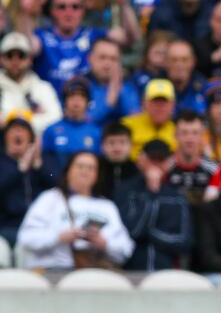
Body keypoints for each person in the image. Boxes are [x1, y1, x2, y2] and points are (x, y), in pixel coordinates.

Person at [17, 151, 134, 270]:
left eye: (91, 168)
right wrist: (59, 237)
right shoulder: (50, 198)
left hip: (97, 272)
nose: (85, 171)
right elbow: (25, 238)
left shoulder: (107, 206)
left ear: (97, 175)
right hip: (53, 271)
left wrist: (104, 243)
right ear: (68, 171)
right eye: (80, 166)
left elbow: (126, 248)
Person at [115, 138, 193, 270]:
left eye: (161, 160)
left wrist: (151, 235)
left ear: (169, 163)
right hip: (131, 270)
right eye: (152, 159)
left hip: (166, 271)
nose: (155, 165)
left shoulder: (176, 197)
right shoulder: (125, 190)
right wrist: (152, 195)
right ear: (141, 160)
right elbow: (131, 232)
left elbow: (185, 242)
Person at [30, 0, 105, 94]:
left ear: (82, 11)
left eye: (75, 7)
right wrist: (25, 13)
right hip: (48, 105)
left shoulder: (92, 34)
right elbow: (28, 48)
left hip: (86, 105)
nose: (69, 13)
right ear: (52, 11)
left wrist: (123, 3)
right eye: (62, 7)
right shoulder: (41, 35)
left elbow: (130, 38)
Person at [0, 114, 58, 246]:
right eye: (13, 130)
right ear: (5, 137)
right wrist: (19, 170)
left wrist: (38, 165)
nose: (18, 133)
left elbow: (56, 184)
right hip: (7, 226)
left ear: (31, 139)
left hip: (40, 227)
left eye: (23, 130)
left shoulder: (43, 161)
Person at [0, 32, 62, 135]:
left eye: (21, 55)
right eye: (10, 55)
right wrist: (36, 117)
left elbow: (56, 120)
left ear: (30, 58)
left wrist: (21, 118)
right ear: (1, 58)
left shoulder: (43, 88)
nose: (15, 61)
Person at [42, 76, 102, 168]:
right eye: (72, 95)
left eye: (82, 96)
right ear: (64, 100)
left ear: (88, 102)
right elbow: (46, 166)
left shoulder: (96, 133)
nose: (76, 100)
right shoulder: (50, 131)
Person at [165, 110, 219, 207]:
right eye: (184, 133)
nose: (190, 139)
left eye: (195, 133)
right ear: (175, 135)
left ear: (202, 136)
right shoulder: (164, 167)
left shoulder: (215, 170)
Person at [85, 37, 141, 126]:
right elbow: (81, 123)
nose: (107, 63)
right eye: (102, 57)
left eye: (113, 59)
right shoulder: (80, 86)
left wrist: (118, 89)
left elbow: (136, 121)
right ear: (90, 58)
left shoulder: (128, 88)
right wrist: (110, 100)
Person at [122, 78, 177, 158]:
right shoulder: (128, 126)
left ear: (173, 105)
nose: (159, 107)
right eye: (155, 101)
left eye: (164, 102)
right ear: (144, 103)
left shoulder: (181, 130)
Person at [97, 122, 140, 199]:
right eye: (111, 143)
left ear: (131, 145)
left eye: (122, 142)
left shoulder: (139, 171)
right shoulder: (95, 169)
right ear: (102, 146)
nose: (117, 148)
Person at [164, 39, 207, 116]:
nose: (179, 65)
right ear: (166, 62)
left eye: (184, 60)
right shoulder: (155, 86)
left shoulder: (203, 87)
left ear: (193, 62)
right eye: (174, 60)